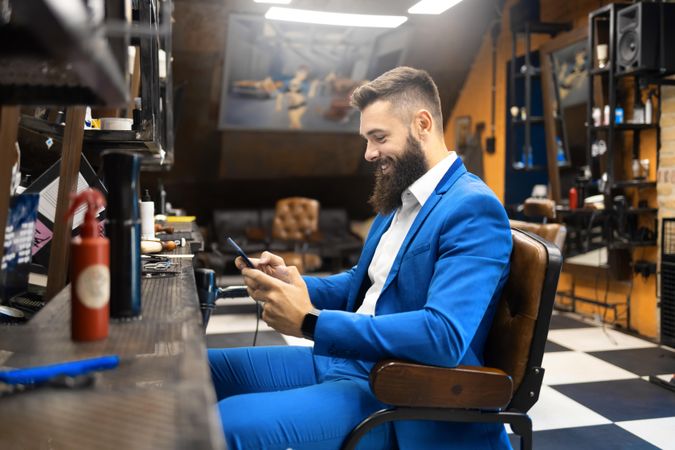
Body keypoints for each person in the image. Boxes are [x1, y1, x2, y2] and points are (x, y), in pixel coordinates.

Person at [208, 66, 513, 450]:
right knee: (202, 371)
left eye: (379, 138)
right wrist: (295, 283)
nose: (369, 153)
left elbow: (444, 336)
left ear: (422, 123)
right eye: (366, 139)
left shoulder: (472, 209)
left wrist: (311, 322)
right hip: (346, 361)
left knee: (224, 425)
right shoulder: (398, 199)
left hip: (393, 386)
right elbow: (365, 281)